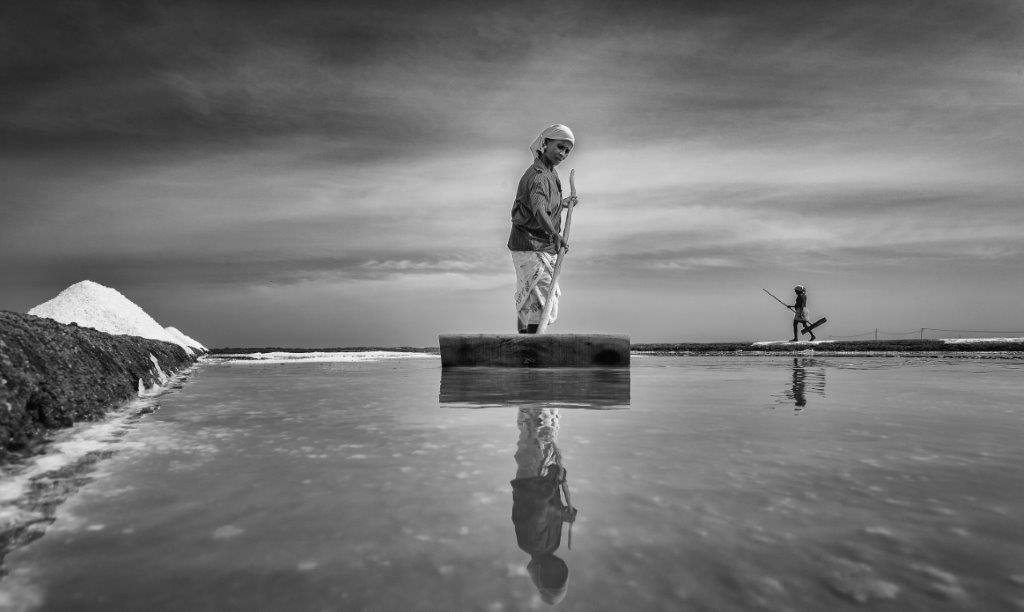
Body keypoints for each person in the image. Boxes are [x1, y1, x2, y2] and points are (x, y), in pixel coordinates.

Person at [508, 124, 580, 333]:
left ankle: (524, 345)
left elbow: (545, 206)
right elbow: (539, 211)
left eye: (567, 150)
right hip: (532, 245)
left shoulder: (551, 174)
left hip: (534, 245)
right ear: (545, 143)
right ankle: (532, 345)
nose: (563, 154)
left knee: (530, 294)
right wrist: (555, 235)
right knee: (540, 295)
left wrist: (563, 203)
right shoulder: (539, 176)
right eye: (560, 147)